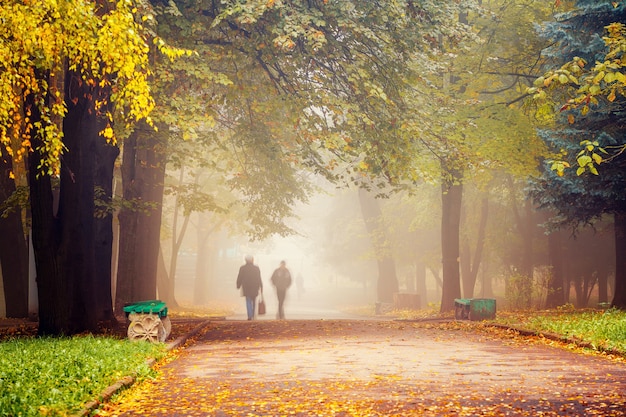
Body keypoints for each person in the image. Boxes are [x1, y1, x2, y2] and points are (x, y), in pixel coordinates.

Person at [236, 255, 263, 320]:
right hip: (255, 287)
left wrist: (238, 285)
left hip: (246, 287)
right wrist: (261, 286)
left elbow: (240, 277)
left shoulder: (243, 268)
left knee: (248, 300)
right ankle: (253, 314)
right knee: (254, 301)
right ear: (252, 260)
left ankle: (250, 315)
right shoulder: (256, 268)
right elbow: (259, 278)